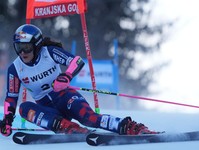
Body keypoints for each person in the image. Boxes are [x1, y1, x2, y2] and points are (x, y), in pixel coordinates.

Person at [0, 24, 158, 137]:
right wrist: (7, 119)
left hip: (65, 97)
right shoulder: (15, 69)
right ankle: (68, 128)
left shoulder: (49, 52)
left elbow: (76, 61)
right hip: (48, 110)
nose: (22, 52)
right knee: (25, 108)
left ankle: (130, 127)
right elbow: (11, 97)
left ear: (37, 45)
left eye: (26, 47)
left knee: (89, 118)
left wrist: (66, 76)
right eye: (18, 47)